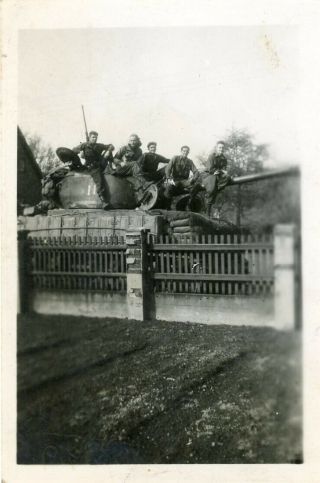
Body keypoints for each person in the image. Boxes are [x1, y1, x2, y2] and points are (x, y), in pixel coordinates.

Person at [72, 131, 114, 209]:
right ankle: (103, 200)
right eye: (93, 137)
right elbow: (73, 150)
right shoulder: (84, 145)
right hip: (89, 166)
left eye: (96, 137)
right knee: (99, 180)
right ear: (89, 137)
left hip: (99, 165)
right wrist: (80, 153)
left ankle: (111, 168)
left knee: (99, 178)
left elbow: (111, 146)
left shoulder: (99, 146)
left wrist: (108, 151)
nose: (94, 139)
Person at [201, 140, 232, 216]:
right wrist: (220, 171)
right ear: (216, 148)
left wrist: (223, 172)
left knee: (228, 177)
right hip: (209, 175)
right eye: (219, 147)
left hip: (218, 175)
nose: (221, 149)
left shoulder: (223, 158)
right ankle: (207, 211)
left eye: (222, 148)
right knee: (212, 187)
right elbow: (210, 168)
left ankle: (216, 189)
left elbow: (224, 170)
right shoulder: (212, 156)